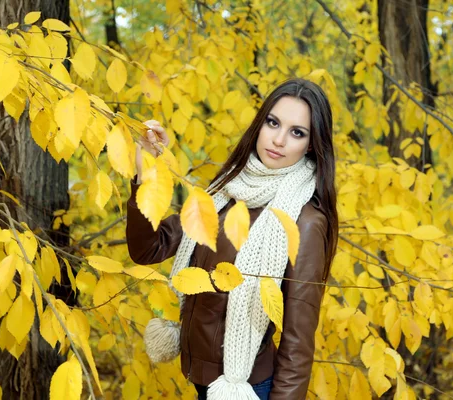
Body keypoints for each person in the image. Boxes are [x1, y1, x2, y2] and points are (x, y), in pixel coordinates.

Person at [126, 78, 338, 400]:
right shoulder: (225, 190)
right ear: (260, 124)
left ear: (310, 144)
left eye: (297, 132)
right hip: (202, 381)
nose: (279, 139)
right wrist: (145, 174)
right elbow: (148, 248)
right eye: (273, 122)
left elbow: (297, 344)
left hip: (247, 388)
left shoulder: (305, 221)